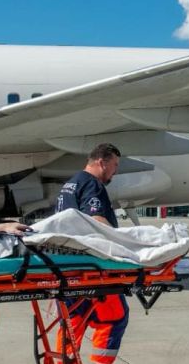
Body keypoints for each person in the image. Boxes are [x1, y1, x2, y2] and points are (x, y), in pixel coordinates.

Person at [55, 143, 126, 364]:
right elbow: (96, 219)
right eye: (115, 165)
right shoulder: (92, 184)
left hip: (66, 267)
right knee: (115, 317)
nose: (115, 171)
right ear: (102, 162)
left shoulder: (71, 183)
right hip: (91, 268)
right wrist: (124, 244)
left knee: (72, 320)